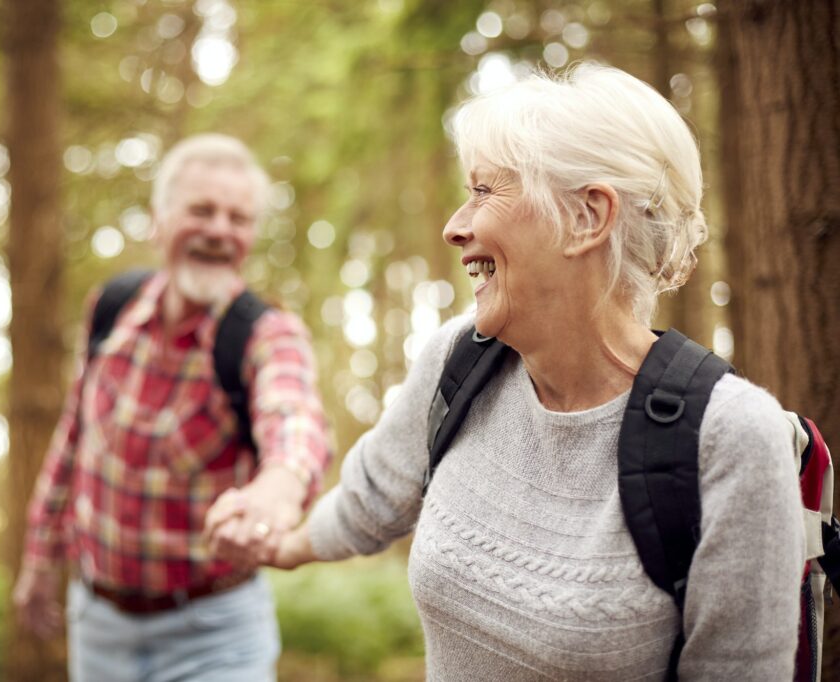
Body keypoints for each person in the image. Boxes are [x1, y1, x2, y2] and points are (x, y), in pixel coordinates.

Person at [210, 64, 805, 679]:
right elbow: (371, 499)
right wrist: (276, 545)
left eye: (485, 193)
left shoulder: (732, 438)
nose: (454, 226)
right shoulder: (459, 360)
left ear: (586, 218)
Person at [12, 133, 331, 682]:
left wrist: (275, 491)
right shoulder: (112, 308)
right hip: (97, 625)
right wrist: (40, 559)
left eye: (238, 218)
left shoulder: (264, 335)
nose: (219, 231)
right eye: (202, 211)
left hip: (215, 634)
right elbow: (74, 438)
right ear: (158, 221)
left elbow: (294, 420)